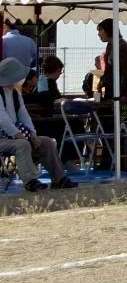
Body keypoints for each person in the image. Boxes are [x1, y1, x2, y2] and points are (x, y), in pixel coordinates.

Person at [0, 57, 76, 192]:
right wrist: (19, 135)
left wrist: (33, 134)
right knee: (22, 144)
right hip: (3, 138)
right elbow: (2, 118)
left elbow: (24, 115)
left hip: (14, 137)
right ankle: (30, 181)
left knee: (46, 142)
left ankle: (59, 179)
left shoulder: (15, 94)